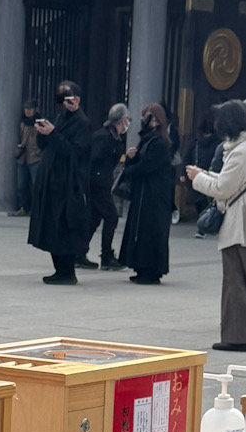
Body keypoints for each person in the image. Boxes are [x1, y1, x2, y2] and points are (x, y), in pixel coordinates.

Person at [186, 100, 246, 350]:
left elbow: (224, 188)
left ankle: (235, 337)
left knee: (235, 282)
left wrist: (199, 179)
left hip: (238, 226)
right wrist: (206, 175)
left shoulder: (241, 151)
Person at [28, 80, 90, 284]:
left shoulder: (81, 123)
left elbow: (74, 152)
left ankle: (67, 271)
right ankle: (59, 270)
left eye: (67, 98)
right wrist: (43, 133)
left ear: (77, 100)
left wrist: (53, 134)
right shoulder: (61, 118)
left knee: (64, 226)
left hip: (66, 183)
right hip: (51, 180)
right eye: (60, 99)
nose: (63, 103)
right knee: (51, 226)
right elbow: (47, 146)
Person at [118, 103, 173, 284]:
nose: (145, 121)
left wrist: (129, 169)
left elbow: (146, 166)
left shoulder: (158, 143)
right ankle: (142, 268)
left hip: (154, 196)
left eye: (148, 117)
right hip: (146, 194)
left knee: (151, 231)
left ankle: (150, 270)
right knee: (142, 231)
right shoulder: (149, 140)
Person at [78, 103, 130, 271]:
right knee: (111, 217)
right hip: (97, 184)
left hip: (101, 183)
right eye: (125, 121)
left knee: (94, 218)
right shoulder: (104, 137)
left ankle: (78, 253)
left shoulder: (113, 137)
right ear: (121, 121)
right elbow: (95, 160)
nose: (126, 125)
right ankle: (106, 256)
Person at [182, 116, 220, 234]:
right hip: (210, 173)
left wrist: (183, 173)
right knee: (207, 200)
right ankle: (207, 223)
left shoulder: (195, 141)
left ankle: (204, 223)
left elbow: (186, 157)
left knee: (198, 200)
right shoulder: (218, 143)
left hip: (195, 172)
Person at [11, 98, 42, 217]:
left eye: (30, 109)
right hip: (22, 157)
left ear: (35, 110)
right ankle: (25, 207)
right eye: (26, 109)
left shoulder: (40, 122)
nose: (28, 112)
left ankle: (37, 209)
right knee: (21, 185)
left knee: (36, 185)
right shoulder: (21, 122)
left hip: (36, 157)